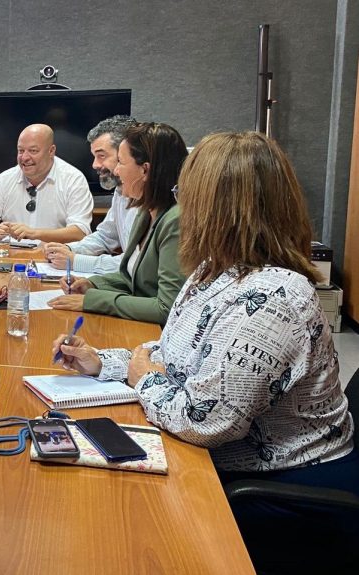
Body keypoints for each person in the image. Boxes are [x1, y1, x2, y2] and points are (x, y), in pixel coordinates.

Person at [52, 131, 355, 570]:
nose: (180, 206)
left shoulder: (274, 298)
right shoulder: (213, 273)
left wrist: (143, 378)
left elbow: (207, 421)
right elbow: (172, 356)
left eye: (185, 193)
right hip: (219, 462)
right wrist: (104, 363)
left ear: (219, 208)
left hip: (283, 492)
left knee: (117, 533)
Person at [49, 122, 187, 325]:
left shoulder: (175, 221)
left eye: (121, 163)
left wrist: (93, 300)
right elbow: (133, 278)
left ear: (145, 170)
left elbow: (167, 308)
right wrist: (92, 284)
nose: (117, 171)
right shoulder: (146, 212)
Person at [43, 115, 140, 274]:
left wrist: (75, 261)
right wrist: (67, 249)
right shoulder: (121, 190)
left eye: (101, 156)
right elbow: (105, 236)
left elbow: (136, 265)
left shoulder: (154, 200)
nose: (95, 165)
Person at [0, 123, 93, 243]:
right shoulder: (5, 179)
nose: (24, 157)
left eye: (33, 151)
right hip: (13, 257)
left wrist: (33, 234)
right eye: (21, 151)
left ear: (51, 151)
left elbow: (80, 232)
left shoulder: (73, 179)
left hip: (55, 257)